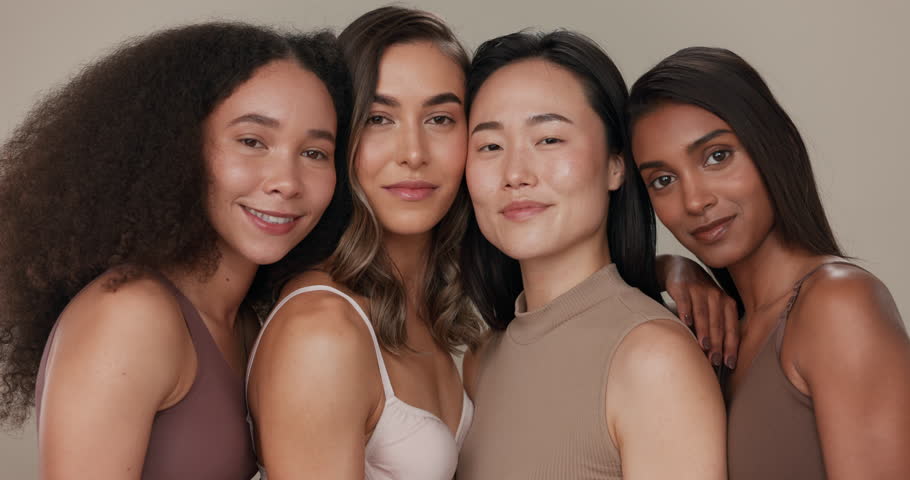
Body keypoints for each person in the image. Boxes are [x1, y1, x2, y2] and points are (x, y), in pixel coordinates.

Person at [0, 22, 350, 479]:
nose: (286, 181)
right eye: (252, 141)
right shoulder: (129, 316)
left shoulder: (247, 322)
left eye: (315, 153)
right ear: (180, 147)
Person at [628, 46, 910, 479]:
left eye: (717, 156)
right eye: (663, 180)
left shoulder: (838, 304)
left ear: (771, 146)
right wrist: (668, 267)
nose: (695, 200)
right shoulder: (715, 334)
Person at [457, 31, 726, 479]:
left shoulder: (654, 360)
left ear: (616, 164)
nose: (515, 173)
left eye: (549, 139)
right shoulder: (481, 359)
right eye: (490, 146)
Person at [245, 7, 482, 479]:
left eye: (439, 118)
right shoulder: (321, 331)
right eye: (379, 118)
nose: (413, 153)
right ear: (341, 135)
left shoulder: (440, 313)